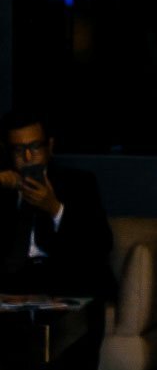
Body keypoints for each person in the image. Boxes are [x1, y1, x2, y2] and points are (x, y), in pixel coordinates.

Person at [0, 110, 114, 299]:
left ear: (49, 146)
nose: (27, 157)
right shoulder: (4, 186)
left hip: (64, 282)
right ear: (7, 152)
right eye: (18, 150)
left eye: (35, 147)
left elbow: (100, 245)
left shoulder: (78, 184)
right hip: (12, 286)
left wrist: (54, 208)